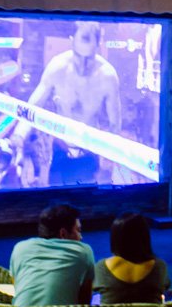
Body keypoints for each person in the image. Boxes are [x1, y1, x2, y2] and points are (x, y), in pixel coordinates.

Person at [9, 21, 122, 186]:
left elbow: (115, 124)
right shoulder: (58, 67)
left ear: (98, 46)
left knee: (84, 198)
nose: (83, 66)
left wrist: (109, 158)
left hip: (88, 152)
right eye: (79, 58)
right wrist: (17, 139)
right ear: (71, 40)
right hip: (60, 150)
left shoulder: (107, 76)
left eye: (88, 60)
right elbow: (32, 109)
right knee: (57, 199)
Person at [10, 204, 95, 307]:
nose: (81, 237)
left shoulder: (20, 248)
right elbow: (85, 303)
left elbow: (17, 286)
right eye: (78, 230)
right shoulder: (83, 251)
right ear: (63, 234)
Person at [93, 212, 171, 305]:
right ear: (144, 237)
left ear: (115, 238)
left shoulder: (101, 267)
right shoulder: (159, 266)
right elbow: (165, 287)